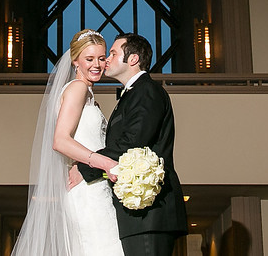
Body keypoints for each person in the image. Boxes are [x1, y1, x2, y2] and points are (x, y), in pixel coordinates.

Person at [12, 29, 124, 256]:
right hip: (88, 195)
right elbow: (60, 140)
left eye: (102, 58)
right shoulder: (78, 88)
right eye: (89, 59)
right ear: (75, 61)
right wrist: (104, 163)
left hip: (93, 186)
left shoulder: (87, 93)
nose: (97, 64)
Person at [75, 34, 188, 256]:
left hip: (150, 211)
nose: (107, 59)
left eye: (114, 53)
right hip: (138, 213)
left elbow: (133, 141)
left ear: (133, 59)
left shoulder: (147, 90)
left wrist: (84, 167)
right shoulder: (132, 94)